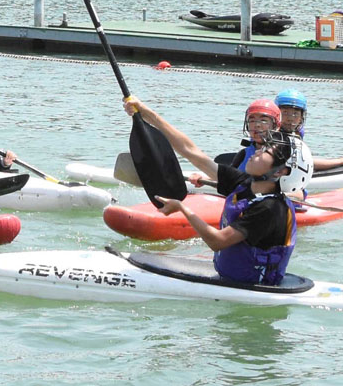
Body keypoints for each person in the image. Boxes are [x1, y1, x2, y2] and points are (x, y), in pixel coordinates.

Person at [124, 96, 310, 286]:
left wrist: (182, 207)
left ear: (281, 171)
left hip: (255, 287)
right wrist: (146, 113)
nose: (257, 151)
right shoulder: (245, 183)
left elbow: (217, 241)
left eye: (266, 153)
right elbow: (191, 151)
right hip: (231, 276)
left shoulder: (270, 208)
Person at [273, 88, 343, 172]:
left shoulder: (297, 132)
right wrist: (339, 161)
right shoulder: (273, 135)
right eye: (285, 112)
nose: (290, 118)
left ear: (301, 117)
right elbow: (306, 162)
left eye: (295, 114)